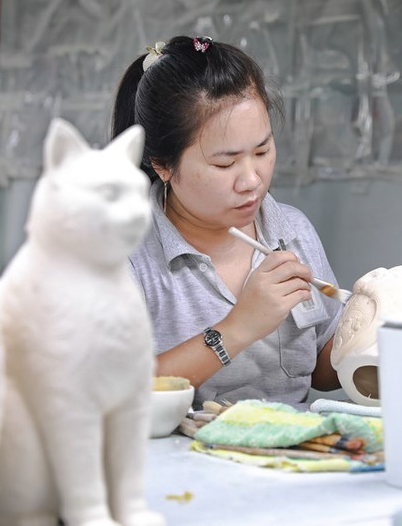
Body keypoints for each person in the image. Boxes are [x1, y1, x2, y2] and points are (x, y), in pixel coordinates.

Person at [111, 35, 343, 408]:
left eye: (263, 151)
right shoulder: (123, 255)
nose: (252, 179)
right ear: (163, 165)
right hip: (174, 463)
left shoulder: (293, 231)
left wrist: (388, 318)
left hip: (287, 458)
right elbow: (117, 395)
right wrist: (238, 328)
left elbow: (323, 370)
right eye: (225, 163)